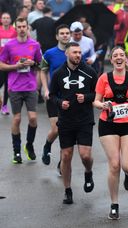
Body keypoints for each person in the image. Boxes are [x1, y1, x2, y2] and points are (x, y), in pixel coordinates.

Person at [93, 46, 128, 219]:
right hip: (108, 123)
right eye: (115, 55)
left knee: (127, 165)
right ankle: (114, 204)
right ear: (112, 59)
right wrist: (103, 105)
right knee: (114, 165)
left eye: (122, 55)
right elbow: (96, 101)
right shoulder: (104, 78)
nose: (119, 57)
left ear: (126, 58)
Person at [49, 42, 98, 204]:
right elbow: (52, 95)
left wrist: (87, 98)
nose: (78, 55)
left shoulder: (90, 72)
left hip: (84, 120)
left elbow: (98, 94)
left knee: (85, 155)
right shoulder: (58, 74)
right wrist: (60, 103)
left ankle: (88, 171)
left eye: (79, 52)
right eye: (74, 52)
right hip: (66, 121)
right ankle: (68, 191)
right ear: (67, 54)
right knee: (66, 155)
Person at [0, 17, 42, 164]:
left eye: (24, 26)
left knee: (33, 118)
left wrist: (34, 63)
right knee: (16, 119)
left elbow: (40, 65)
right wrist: (15, 66)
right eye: (19, 27)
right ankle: (16, 152)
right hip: (15, 86)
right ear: (16, 28)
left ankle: (29, 145)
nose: (22, 29)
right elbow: (1, 65)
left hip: (30, 86)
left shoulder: (35, 45)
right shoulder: (9, 45)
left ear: (27, 28)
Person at [40, 24, 71, 167]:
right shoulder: (49, 53)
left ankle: (61, 163)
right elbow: (43, 71)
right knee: (57, 129)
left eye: (67, 33)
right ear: (57, 36)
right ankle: (47, 146)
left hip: (69, 97)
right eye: (62, 33)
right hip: (53, 96)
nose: (65, 35)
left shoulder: (74, 53)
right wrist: (45, 89)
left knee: (66, 132)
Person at [0, 12, 17, 115]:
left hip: (10, 62)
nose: (6, 20)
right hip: (0, 61)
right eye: (4, 18)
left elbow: (16, 44)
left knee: (8, 84)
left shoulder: (14, 31)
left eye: (8, 18)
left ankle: (5, 106)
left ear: (10, 20)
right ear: (1, 20)